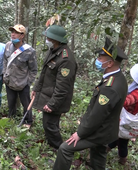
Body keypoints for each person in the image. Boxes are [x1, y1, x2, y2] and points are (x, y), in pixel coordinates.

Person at [53, 37, 128, 170]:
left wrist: (80, 133)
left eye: (100, 58)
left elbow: (97, 115)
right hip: (108, 131)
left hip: (99, 131)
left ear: (110, 63)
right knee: (98, 155)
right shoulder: (119, 78)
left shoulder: (110, 87)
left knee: (65, 148)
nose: (97, 61)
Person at [32, 25, 77, 148]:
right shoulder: (53, 52)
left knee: (49, 124)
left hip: (55, 99)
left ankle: (59, 148)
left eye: (48, 37)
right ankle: (52, 144)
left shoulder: (66, 59)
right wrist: (36, 88)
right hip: (48, 94)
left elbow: (63, 86)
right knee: (50, 123)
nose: (46, 39)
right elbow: (44, 73)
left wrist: (52, 104)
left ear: (55, 39)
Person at [107, 63, 138, 165]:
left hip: (128, 120)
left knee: (122, 140)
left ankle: (123, 160)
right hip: (130, 119)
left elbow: (127, 101)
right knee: (120, 136)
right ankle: (108, 147)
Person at [3, 24, 37, 128]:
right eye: (12, 32)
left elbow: (33, 69)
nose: (13, 34)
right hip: (10, 81)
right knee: (11, 101)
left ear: (22, 36)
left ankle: (28, 121)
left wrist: (28, 82)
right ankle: (11, 117)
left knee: (26, 103)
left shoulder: (29, 51)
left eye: (16, 33)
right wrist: (4, 75)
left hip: (23, 83)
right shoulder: (8, 46)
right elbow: (5, 61)